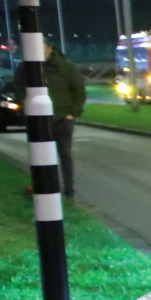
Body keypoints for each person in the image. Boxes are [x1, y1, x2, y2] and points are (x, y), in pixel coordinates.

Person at [45, 52, 85, 199]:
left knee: (65, 154)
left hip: (62, 118)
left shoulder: (65, 67)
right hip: (42, 119)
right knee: (43, 155)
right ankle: (49, 188)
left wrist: (73, 112)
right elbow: (20, 85)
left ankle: (69, 188)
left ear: (49, 49)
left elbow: (79, 89)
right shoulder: (31, 66)